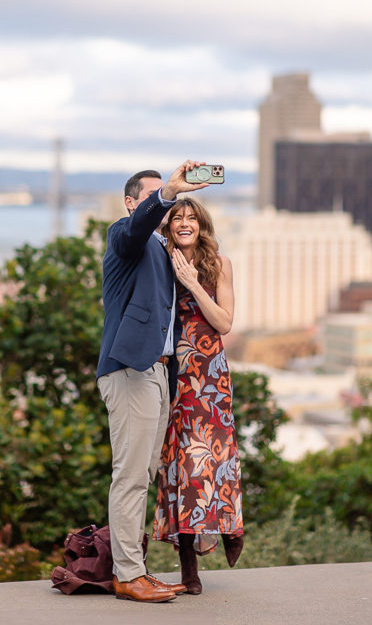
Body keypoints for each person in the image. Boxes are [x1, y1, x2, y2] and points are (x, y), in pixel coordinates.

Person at [96, 160, 210, 604]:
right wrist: (165, 196)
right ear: (131, 203)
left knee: (142, 475)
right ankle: (128, 575)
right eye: (153, 195)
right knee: (129, 476)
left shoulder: (163, 249)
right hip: (129, 369)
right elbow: (136, 230)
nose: (166, 201)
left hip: (158, 372)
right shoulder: (125, 236)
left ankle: (136, 569)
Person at [153, 198, 244, 595]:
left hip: (211, 372)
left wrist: (192, 283)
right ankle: (188, 564)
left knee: (219, 457)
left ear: (201, 224)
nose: (184, 223)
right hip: (176, 372)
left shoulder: (218, 263)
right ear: (169, 225)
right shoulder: (159, 259)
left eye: (191, 218)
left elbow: (224, 322)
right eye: (177, 217)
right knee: (182, 464)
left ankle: (230, 525)